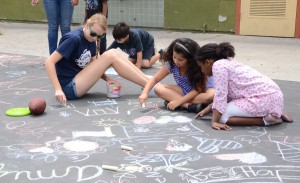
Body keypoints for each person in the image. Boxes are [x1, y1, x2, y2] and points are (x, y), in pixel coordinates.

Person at [44, 13, 150, 105]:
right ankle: (150, 85)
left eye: (99, 36)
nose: (95, 38)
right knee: (111, 54)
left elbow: (95, 65)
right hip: (68, 87)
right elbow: (49, 62)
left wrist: (107, 79)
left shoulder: (91, 40)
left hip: (78, 81)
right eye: (93, 34)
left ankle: (150, 82)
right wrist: (58, 89)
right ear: (86, 25)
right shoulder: (73, 39)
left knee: (113, 53)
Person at [195, 42, 294, 130]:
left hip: (262, 99)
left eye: (201, 67)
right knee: (218, 111)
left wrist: (215, 121)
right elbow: (227, 95)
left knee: (222, 117)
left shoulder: (218, 66)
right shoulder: (228, 62)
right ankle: (274, 111)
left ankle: (268, 119)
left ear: (207, 62)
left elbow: (221, 94)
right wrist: (210, 107)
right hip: (273, 96)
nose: (202, 71)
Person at [139, 38, 215, 113]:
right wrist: (145, 92)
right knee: (158, 88)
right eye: (174, 57)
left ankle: (174, 99)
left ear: (190, 59)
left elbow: (198, 89)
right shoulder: (171, 64)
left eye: (181, 60)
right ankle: (188, 106)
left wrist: (178, 101)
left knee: (211, 96)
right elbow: (155, 79)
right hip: (184, 90)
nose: (176, 61)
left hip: (201, 91)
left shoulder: (197, 66)